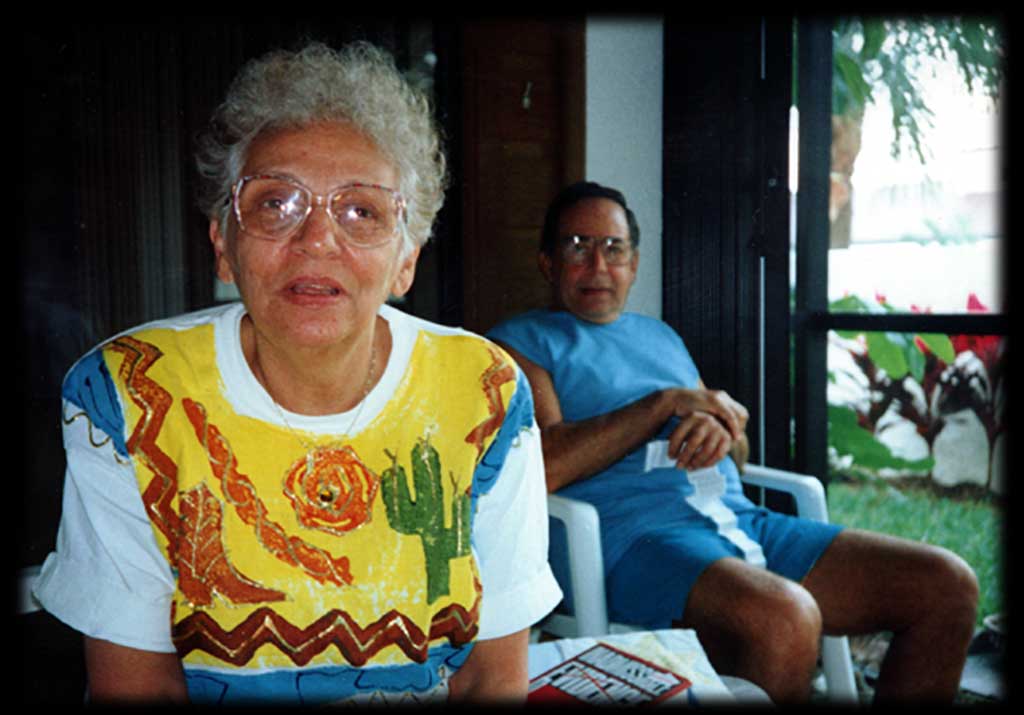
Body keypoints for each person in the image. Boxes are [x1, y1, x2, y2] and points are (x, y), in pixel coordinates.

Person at [33, 41, 561, 705]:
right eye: (275, 202)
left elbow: (493, 676)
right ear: (223, 243)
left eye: (361, 210)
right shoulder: (129, 395)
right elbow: (136, 687)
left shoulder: (484, 389)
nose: (316, 239)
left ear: (407, 260)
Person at [487, 181, 980, 704]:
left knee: (945, 586)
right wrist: (661, 406)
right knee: (784, 618)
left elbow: (737, 460)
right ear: (547, 262)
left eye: (614, 248)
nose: (598, 264)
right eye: (577, 246)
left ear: (633, 263)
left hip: (738, 522)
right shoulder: (518, 345)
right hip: (633, 542)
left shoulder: (659, 337)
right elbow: (543, 466)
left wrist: (722, 429)